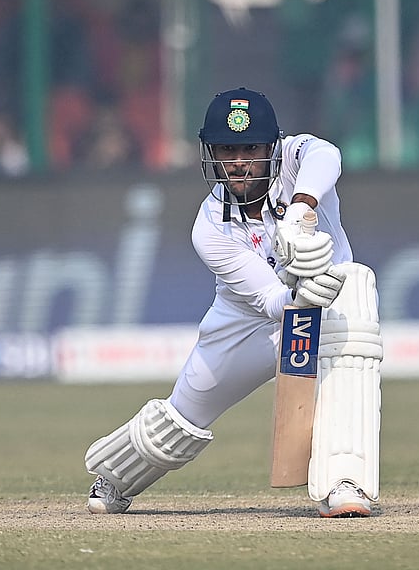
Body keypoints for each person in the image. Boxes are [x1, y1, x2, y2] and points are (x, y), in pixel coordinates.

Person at [84, 87, 382, 518]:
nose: (239, 162)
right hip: (247, 319)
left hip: (330, 303)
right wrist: (297, 296)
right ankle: (116, 476)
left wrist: (300, 209)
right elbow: (269, 298)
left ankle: (345, 482)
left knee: (353, 300)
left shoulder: (296, 160)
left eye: (250, 149)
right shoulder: (209, 227)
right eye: (227, 151)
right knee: (186, 410)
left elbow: (327, 155)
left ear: (272, 148)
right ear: (212, 154)